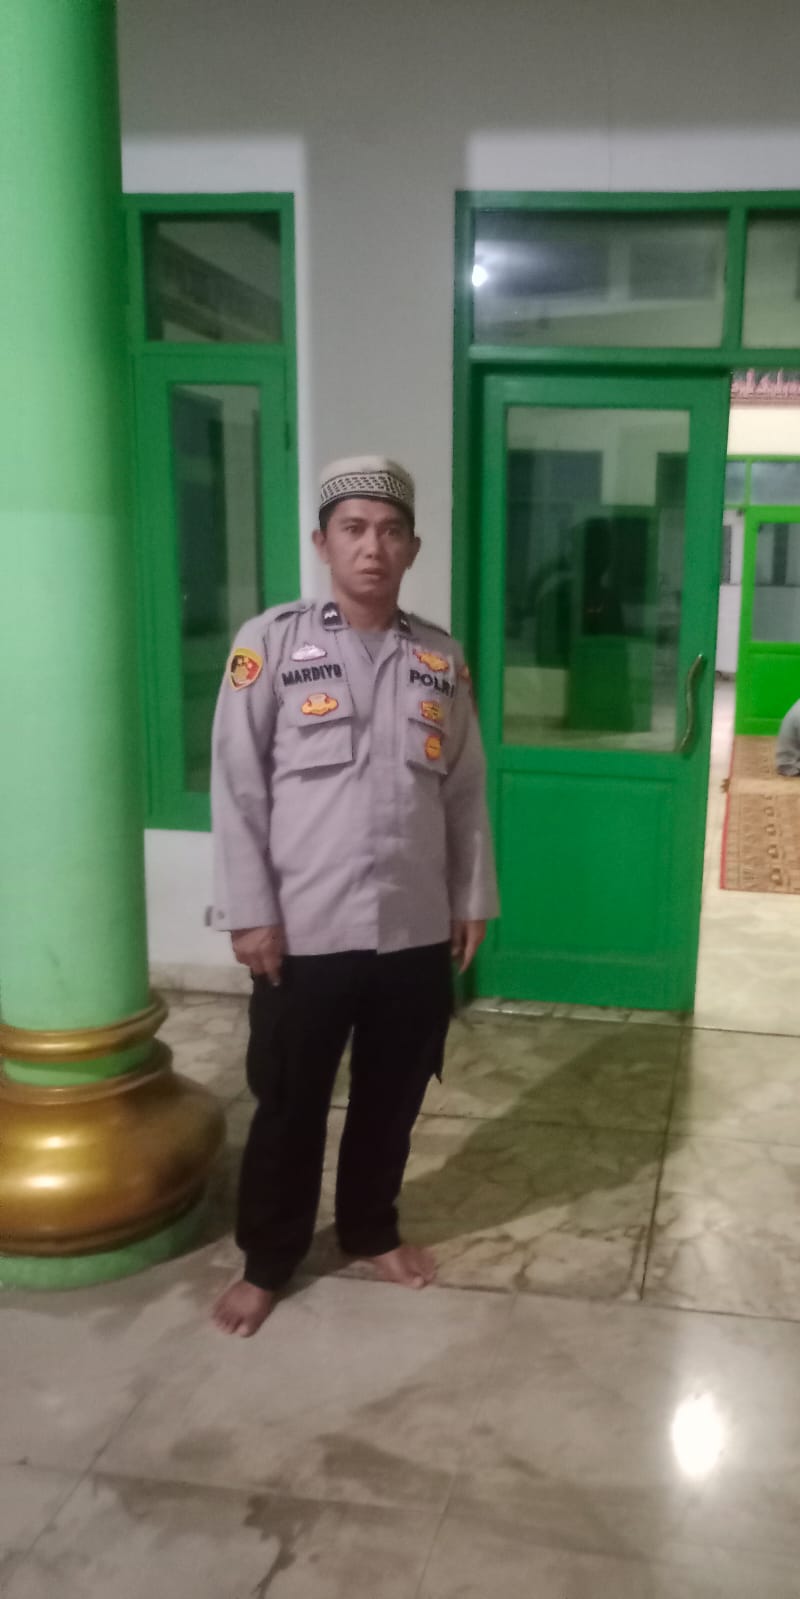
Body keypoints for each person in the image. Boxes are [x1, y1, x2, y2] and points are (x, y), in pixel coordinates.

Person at [208, 455, 498, 1337]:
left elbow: (463, 789)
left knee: (392, 1095)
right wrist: (251, 911)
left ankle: (371, 1227)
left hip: (411, 926)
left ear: (413, 547)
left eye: (390, 530)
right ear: (323, 542)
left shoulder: (439, 656)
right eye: (354, 529)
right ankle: (268, 1259)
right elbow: (237, 785)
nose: (373, 547)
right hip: (305, 928)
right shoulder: (270, 643)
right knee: (289, 1100)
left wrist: (470, 897)